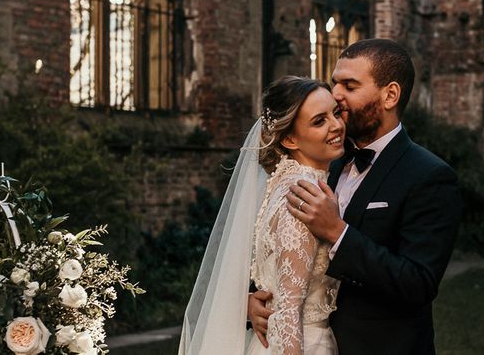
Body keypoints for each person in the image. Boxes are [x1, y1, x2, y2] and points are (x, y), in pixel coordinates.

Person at [249, 39, 461, 354]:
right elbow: (278, 243)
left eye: (349, 85)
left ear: (390, 95)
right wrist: (254, 300)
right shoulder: (321, 161)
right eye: (335, 82)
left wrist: (337, 232)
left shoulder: (429, 176)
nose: (336, 94)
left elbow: (418, 283)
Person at [179, 76, 347, 355]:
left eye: (336, 113)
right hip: (301, 345)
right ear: (290, 138)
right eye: (319, 121)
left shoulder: (281, 182)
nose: (337, 125)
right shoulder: (304, 196)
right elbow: (289, 311)